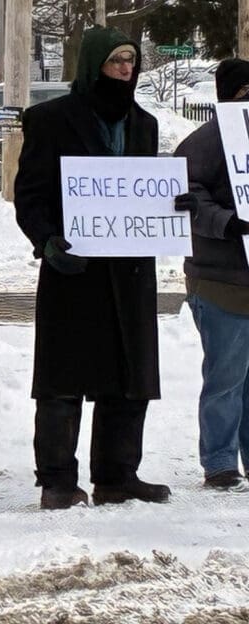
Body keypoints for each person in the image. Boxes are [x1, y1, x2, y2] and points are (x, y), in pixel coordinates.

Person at [14, 26, 171, 510]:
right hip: (74, 272)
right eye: (116, 60)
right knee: (64, 380)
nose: (126, 69)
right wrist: (47, 242)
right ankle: (58, 479)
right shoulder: (51, 120)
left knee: (129, 376)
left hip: (129, 274)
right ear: (93, 65)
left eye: (131, 60)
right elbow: (30, 196)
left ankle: (118, 474)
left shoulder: (144, 125)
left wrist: (173, 205)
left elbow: (148, 191)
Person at [173, 57, 249, 491]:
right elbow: (188, 197)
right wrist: (227, 222)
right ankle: (220, 461)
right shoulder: (204, 143)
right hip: (220, 281)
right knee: (226, 377)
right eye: (243, 93)